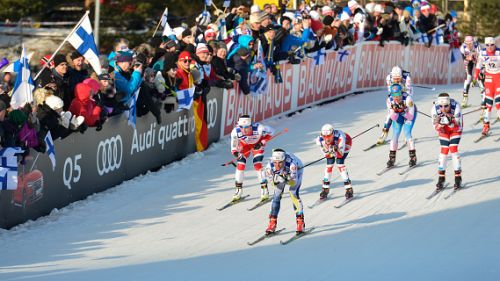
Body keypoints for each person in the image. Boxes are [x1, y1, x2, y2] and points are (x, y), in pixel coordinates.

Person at [230, 115, 274, 201]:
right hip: (244, 146)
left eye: (246, 127)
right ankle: (238, 190)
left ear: (250, 125)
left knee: (257, 164)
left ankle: (264, 189)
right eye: (241, 127)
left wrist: (262, 142)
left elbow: (272, 131)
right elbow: (234, 146)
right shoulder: (236, 131)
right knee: (240, 165)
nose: (244, 130)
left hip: (257, 145)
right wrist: (236, 153)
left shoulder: (259, 128)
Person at [264, 148, 305, 234]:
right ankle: (272, 223)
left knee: (293, 193)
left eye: (280, 163)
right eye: (275, 163)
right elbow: (272, 183)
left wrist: (286, 178)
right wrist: (277, 180)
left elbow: (293, 182)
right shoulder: (269, 167)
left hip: (298, 169)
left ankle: (300, 222)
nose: (277, 165)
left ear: (284, 160)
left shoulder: (292, 164)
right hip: (283, 174)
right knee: (276, 195)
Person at [430, 93, 463, 190]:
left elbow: (457, 125)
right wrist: (440, 124)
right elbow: (436, 128)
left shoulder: (456, 106)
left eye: (446, 106)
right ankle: (441, 178)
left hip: (455, 129)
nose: (443, 108)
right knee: (444, 151)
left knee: (453, 149)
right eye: (441, 106)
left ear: (449, 104)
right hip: (443, 130)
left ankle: (458, 177)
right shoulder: (434, 109)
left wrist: (450, 121)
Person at [315, 124, 353, 200]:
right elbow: (327, 155)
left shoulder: (340, 137)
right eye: (324, 136)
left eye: (328, 136)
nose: (327, 139)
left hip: (346, 143)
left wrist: (336, 149)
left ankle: (349, 188)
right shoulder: (319, 140)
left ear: (332, 133)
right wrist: (330, 151)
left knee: (339, 162)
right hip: (333, 146)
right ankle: (325, 188)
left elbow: (340, 155)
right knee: (329, 164)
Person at [385, 84, 417, 168]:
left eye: (398, 95)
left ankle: (413, 157)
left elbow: (410, 117)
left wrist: (402, 111)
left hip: (409, 114)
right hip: (398, 115)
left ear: (401, 92)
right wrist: (396, 111)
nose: (396, 97)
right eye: (394, 95)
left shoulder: (408, 99)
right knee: (395, 134)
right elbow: (393, 117)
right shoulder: (389, 100)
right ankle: (391, 158)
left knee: (407, 133)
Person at [379, 66, 413, 144]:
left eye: (398, 78)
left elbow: (409, 93)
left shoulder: (407, 78)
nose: (397, 80)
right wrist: (393, 104)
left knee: (406, 112)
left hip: (405, 94)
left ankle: (407, 134)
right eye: (395, 78)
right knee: (389, 114)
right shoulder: (389, 78)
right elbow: (390, 92)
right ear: (392, 77)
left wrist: (404, 103)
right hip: (395, 93)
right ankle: (384, 133)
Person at [474, 37, 500, 136]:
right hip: (489, 80)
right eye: (487, 45)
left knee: (498, 103)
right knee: (488, 104)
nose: (489, 47)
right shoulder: (483, 53)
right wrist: (476, 75)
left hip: (498, 78)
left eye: (492, 45)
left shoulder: (498, 53)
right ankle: (486, 126)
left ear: (495, 44)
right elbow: (478, 65)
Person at [459, 36, 479, 107]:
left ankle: (484, 98)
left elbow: (480, 60)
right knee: (468, 78)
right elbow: (464, 60)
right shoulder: (462, 48)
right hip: (468, 62)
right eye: (467, 44)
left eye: (470, 43)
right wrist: (468, 58)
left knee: (480, 78)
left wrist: (474, 58)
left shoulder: (477, 47)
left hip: (477, 60)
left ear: (473, 43)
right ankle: (465, 99)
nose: (469, 45)